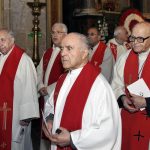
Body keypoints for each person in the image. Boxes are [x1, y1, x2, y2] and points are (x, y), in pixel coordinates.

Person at [43, 32, 121, 150]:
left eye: (69, 48)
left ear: (84, 53)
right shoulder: (63, 79)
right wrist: (50, 119)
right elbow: (52, 105)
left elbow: (108, 130)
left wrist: (72, 138)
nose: (62, 53)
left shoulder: (99, 86)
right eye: (62, 48)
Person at [111, 22, 150, 150]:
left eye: (141, 39)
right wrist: (122, 98)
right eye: (133, 38)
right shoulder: (125, 57)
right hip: (128, 118)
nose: (135, 42)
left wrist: (146, 102)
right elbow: (116, 83)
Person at [0, 29, 39, 150]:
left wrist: (26, 116)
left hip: (16, 116)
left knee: (16, 144)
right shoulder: (1, 57)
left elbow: (30, 88)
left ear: (12, 40)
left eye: (2, 40)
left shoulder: (23, 61)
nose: (0, 43)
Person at [32, 23, 67, 150]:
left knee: (55, 129)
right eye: (53, 32)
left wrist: (49, 89)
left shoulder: (67, 53)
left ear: (65, 34)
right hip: (44, 96)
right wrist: (41, 85)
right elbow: (39, 71)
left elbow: (67, 76)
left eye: (58, 32)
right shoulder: (48, 52)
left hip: (57, 96)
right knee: (44, 131)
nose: (55, 35)